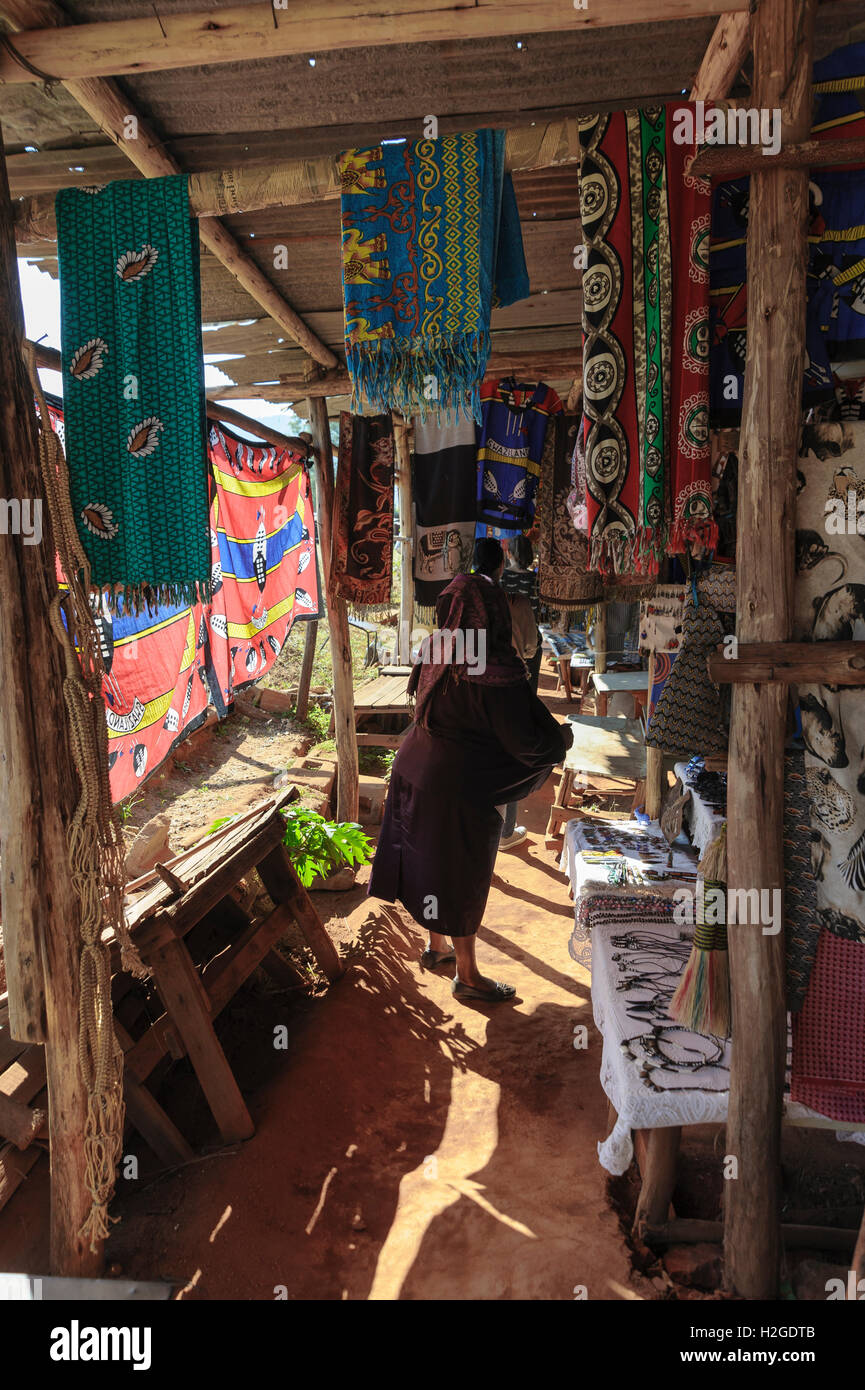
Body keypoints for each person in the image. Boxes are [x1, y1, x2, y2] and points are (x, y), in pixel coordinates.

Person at [368, 538, 571, 1003]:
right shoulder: (494, 666)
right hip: (453, 784)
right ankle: (469, 974)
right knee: (461, 870)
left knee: (426, 858)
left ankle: (435, 947)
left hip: (413, 766)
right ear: (495, 609)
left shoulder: (436, 650)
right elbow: (524, 740)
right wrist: (559, 741)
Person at [498, 535, 542, 850]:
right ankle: (505, 830)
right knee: (513, 746)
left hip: (487, 670)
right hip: (519, 665)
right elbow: (530, 642)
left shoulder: (491, 587)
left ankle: (494, 829)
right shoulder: (532, 586)